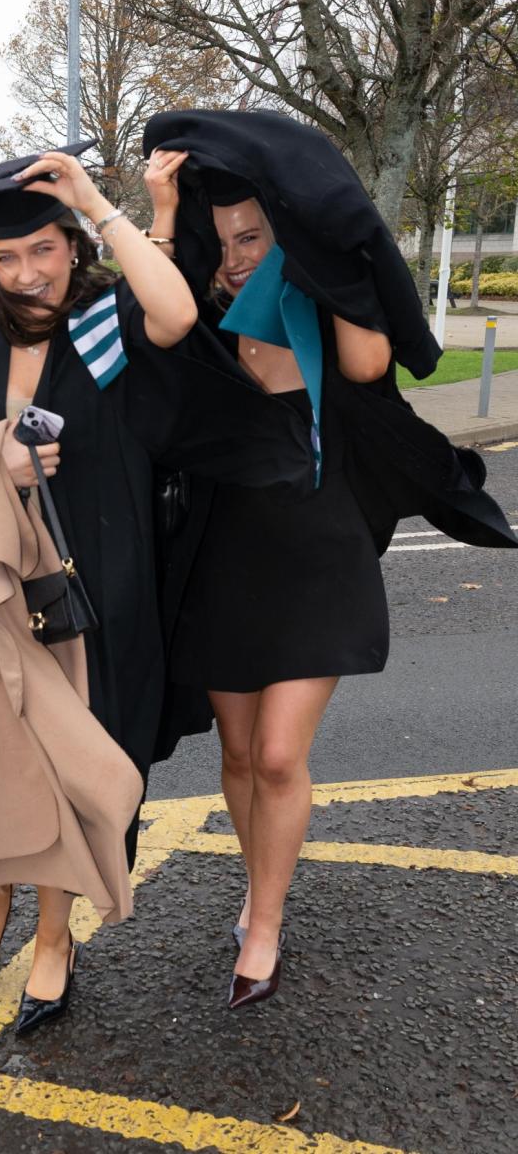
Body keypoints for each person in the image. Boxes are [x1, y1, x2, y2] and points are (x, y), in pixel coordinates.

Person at [140, 108, 517, 1010]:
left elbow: (367, 356)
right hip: (224, 561)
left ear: (289, 229)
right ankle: (257, 884)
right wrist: (160, 206)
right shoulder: (199, 321)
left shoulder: (327, 315)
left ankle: (264, 923)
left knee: (276, 755)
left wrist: (329, 233)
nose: (236, 257)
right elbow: (143, 339)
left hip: (320, 557)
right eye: (225, 239)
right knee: (236, 754)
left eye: (256, 235)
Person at [0, 140, 203, 1035]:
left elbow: (180, 314)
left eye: (44, 247)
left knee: (80, 757)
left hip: (104, 580)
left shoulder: (107, 322)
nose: (27, 272)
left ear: (72, 246)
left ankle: (55, 935)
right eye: (6, 256)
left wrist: (97, 199)